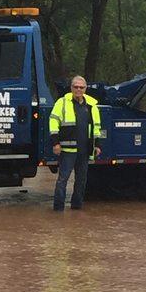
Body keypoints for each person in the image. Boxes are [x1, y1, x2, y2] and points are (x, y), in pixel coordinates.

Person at [49, 75, 101, 211]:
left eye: (81, 87)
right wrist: (55, 143)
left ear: (85, 89)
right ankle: (58, 209)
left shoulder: (92, 105)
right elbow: (53, 122)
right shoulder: (62, 102)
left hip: (85, 150)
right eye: (75, 87)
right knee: (62, 180)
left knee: (81, 181)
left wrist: (97, 145)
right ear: (71, 88)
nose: (78, 89)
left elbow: (96, 127)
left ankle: (77, 207)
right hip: (67, 149)